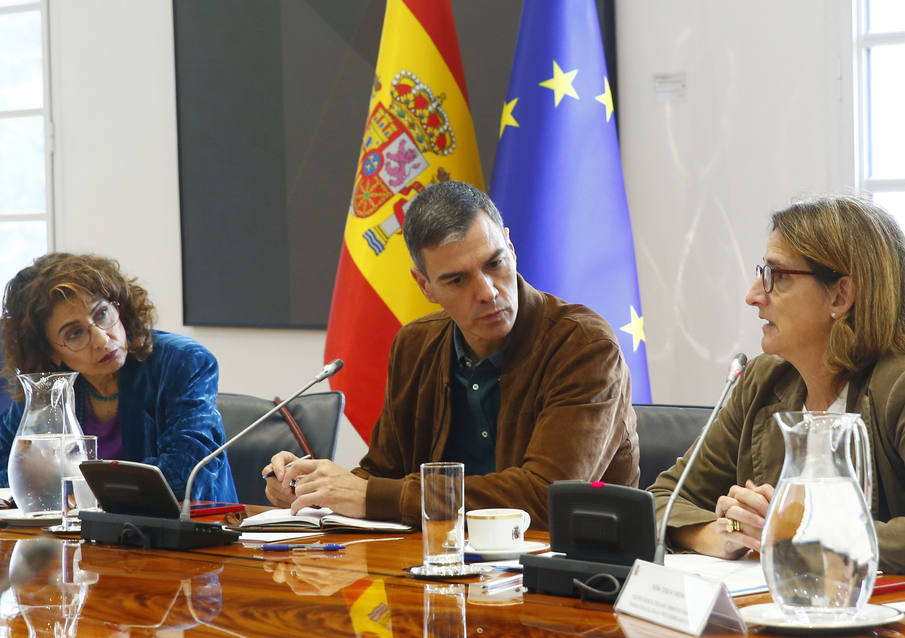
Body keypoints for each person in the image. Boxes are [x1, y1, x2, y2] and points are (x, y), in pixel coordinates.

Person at [649, 194, 905, 574]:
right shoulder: (761, 382)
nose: (753, 296)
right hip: (784, 611)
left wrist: (798, 530)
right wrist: (729, 534)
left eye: (777, 276)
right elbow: (660, 499)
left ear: (840, 295)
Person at [265, 181, 638, 529]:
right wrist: (312, 488)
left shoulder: (583, 345)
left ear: (511, 247)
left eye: (495, 264)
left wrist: (368, 494)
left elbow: (546, 497)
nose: (488, 292)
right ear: (424, 286)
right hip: (436, 566)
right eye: (457, 280)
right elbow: (382, 476)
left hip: (569, 575)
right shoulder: (415, 345)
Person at [0, 253, 237, 502]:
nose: (102, 339)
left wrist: (59, 483)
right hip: (80, 537)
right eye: (75, 333)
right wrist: (32, 477)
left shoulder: (182, 362)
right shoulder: (50, 389)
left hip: (191, 533)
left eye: (102, 314)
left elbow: (185, 476)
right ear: (50, 351)